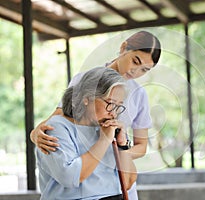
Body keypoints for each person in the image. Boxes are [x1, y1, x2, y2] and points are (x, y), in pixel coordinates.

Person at [31, 30, 161, 199]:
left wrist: (118, 152)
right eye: (135, 61)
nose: (135, 71)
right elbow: (58, 119)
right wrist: (35, 134)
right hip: (85, 183)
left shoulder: (139, 94)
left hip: (117, 183)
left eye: (144, 69)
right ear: (123, 48)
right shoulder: (85, 80)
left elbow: (141, 146)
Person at [36, 67, 136, 199]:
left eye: (118, 106)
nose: (113, 113)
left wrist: (123, 145)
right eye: (110, 103)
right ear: (87, 98)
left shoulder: (110, 129)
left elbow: (128, 182)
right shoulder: (57, 128)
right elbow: (70, 177)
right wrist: (103, 141)